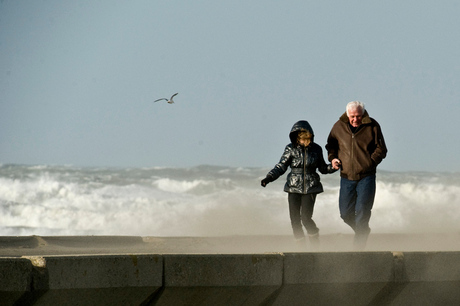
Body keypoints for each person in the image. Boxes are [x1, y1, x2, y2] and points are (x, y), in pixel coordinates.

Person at [261, 120, 336, 248]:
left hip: (311, 187)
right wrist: (269, 177)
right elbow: (281, 166)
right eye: (300, 135)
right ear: (296, 136)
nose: (304, 137)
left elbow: (323, 168)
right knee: (295, 220)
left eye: (306, 135)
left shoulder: (317, 149)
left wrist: (333, 167)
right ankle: (301, 247)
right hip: (293, 187)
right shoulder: (290, 148)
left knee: (306, 218)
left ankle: (315, 242)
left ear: (310, 135)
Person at [326, 101, 387, 250]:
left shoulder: (372, 126)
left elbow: (381, 149)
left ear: (363, 114)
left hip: (366, 176)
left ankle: (358, 249)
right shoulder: (338, 126)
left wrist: (370, 163)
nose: (355, 119)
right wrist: (332, 158)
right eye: (352, 116)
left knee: (362, 212)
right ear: (347, 115)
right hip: (346, 177)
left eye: (358, 116)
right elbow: (331, 145)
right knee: (345, 213)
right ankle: (363, 231)